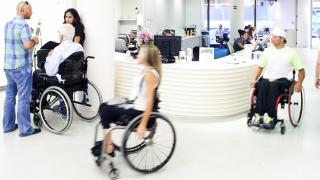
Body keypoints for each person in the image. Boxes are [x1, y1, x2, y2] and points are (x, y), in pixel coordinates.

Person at [99, 46, 162, 155]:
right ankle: (108, 143)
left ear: (148, 57)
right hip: (133, 104)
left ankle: (109, 147)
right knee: (104, 106)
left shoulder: (149, 74)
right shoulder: (145, 70)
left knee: (105, 111)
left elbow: (150, 101)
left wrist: (142, 124)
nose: (138, 54)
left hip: (138, 112)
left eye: (141, 53)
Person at [250, 27, 305, 128]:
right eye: (272, 37)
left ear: (282, 39)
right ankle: (259, 115)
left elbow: (301, 70)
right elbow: (260, 67)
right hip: (267, 78)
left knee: (273, 86)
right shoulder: (268, 51)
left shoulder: (291, 52)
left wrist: (299, 83)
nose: (272, 39)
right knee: (262, 85)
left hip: (283, 80)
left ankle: (270, 117)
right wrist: (254, 78)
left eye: (275, 37)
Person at [3, 1, 41, 137]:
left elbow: (16, 39)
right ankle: (25, 130)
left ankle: (8, 126)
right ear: (22, 10)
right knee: (24, 98)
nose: (31, 12)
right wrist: (35, 40)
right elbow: (27, 45)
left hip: (8, 67)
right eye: (29, 10)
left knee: (10, 97)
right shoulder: (23, 25)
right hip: (21, 68)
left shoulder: (8, 23)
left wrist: (27, 31)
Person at [32, 24, 84, 92]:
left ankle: (37, 100)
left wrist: (49, 57)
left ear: (61, 36)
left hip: (61, 84)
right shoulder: (79, 47)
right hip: (76, 81)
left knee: (36, 73)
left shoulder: (58, 49)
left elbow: (50, 72)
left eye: (59, 33)